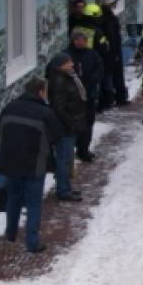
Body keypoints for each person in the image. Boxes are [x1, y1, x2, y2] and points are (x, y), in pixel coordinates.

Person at [0, 77, 62, 254]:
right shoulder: (45, 112)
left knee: (13, 198)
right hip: (35, 164)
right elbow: (57, 135)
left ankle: (10, 234)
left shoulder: (9, 107)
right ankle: (32, 243)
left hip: (10, 162)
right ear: (41, 91)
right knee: (33, 203)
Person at [45, 53, 87, 202]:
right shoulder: (58, 81)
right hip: (66, 127)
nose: (72, 64)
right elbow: (58, 107)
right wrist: (71, 122)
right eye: (68, 62)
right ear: (60, 65)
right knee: (64, 159)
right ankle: (63, 190)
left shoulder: (67, 77)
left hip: (70, 125)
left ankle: (66, 187)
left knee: (67, 159)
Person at [66, 31, 104, 162]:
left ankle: (84, 149)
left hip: (89, 95)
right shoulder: (67, 55)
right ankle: (70, 149)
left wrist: (91, 82)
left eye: (83, 40)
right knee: (73, 123)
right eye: (78, 39)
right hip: (72, 97)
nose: (81, 42)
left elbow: (100, 70)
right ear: (73, 40)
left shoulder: (92, 54)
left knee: (88, 122)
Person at [100, 0, 129, 108]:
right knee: (114, 75)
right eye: (115, 2)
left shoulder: (104, 16)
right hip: (112, 51)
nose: (116, 4)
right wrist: (114, 53)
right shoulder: (109, 19)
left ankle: (112, 98)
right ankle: (116, 99)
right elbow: (112, 37)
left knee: (109, 75)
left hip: (108, 51)